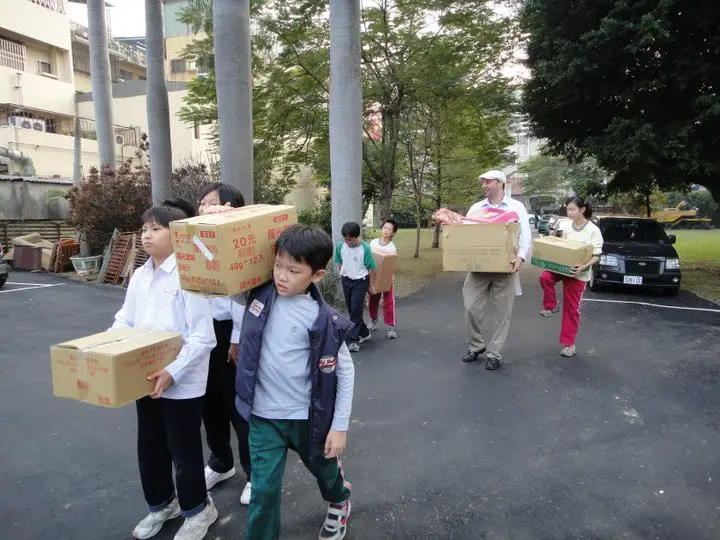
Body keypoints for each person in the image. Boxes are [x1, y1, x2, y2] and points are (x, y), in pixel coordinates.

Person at [233, 224, 355, 540]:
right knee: (263, 492)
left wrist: (339, 427)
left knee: (325, 471)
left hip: (308, 419)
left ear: (316, 276)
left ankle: (339, 499)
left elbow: (345, 372)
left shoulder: (324, 320)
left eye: (293, 270)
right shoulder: (257, 295)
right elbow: (222, 277)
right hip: (263, 418)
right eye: (277, 266)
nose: (281, 276)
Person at [113, 199, 218, 540]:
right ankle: (162, 505)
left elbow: (203, 339)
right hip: (143, 379)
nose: (147, 235)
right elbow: (124, 320)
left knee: (184, 451)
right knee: (150, 447)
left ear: (176, 235)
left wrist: (172, 372)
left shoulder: (190, 275)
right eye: (144, 229)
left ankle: (199, 510)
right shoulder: (141, 275)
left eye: (156, 229)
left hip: (181, 383)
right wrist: (108, 348)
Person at [196, 183, 253, 504]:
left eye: (210, 203)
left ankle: (253, 472)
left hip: (230, 332)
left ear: (230, 207)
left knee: (238, 407)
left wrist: (236, 339)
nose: (203, 208)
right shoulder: (197, 241)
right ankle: (221, 462)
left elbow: (242, 295)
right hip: (201, 333)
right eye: (201, 203)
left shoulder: (236, 241)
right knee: (209, 404)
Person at [461, 170, 532, 370]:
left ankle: (494, 352)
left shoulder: (516, 207)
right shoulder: (476, 208)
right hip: (478, 268)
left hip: (505, 267)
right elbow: (465, 233)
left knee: (503, 313)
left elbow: (525, 234)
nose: (484, 185)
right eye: (482, 182)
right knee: (470, 307)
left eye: (487, 182)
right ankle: (476, 346)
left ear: (500, 184)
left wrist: (521, 257)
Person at [539, 196, 603, 357]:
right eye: (568, 209)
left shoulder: (593, 230)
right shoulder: (566, 226)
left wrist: (583, 266)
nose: (569, 212)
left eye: (572, 209)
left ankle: (569, 345)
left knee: (571, 309)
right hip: (562, 268)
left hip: (579, 273)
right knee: (545, 277)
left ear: (582, 210)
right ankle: (551, 305)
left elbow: (596, 255)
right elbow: (561, 246)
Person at [334, 221, 377, 352]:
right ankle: (364, 332)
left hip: (360, 281)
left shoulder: (365, 248)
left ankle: (353, 340)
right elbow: (339, 261)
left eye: (350, 239)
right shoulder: (341, 245)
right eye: (345, 239)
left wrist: (371, 286)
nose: (347, 241)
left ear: (357, 236)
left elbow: (371, 269)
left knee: (355, 311)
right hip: (346, 280)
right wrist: (342, 272)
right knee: (353, 310)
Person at [367, 218, 398, 339]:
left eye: (389, 229)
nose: (386, 231)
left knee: (388, 302)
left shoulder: (392, 247)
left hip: (387, 277)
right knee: (372, 300)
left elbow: (392, 263)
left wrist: (390, 276)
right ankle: (374, 319)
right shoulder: (373, 243)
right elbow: (369, 258)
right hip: (374, 276)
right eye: (385, 228)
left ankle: (391, 327)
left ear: (393, 233)